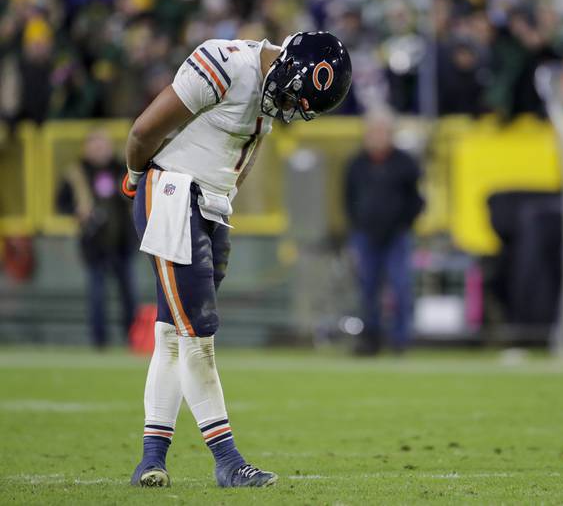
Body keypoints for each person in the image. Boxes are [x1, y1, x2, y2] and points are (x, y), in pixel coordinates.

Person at [121, 32, 351, 488]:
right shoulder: (225, 62)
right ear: (282, 61)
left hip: (210, 206)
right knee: (197, 335)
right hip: (172, 194)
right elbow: (144, 130)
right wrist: (133, 178)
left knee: (172, 335)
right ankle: (227, 460)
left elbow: (242, 155)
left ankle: (151, 459)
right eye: (289, 95)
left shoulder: (271, 89)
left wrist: (223, 204)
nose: (287, 107)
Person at [344, 109, 424, 355]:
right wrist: (357, 225)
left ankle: (400, 340)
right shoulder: (356, 164)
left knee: (400, 287)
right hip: (366, 235)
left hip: (397, 235)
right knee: (367, 289)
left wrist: (404, 223)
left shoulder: (404, 164)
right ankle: (371, 339)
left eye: (382, 131)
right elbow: (348, 199)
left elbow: (417, 199)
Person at [57, 129, 138, 349]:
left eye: (102, 144)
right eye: (94, 145)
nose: (99, 149)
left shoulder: (123, 168)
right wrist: (77, 211)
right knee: (97, 295)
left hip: (123, 243)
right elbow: (60, 203)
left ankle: (133, 338)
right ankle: (99, 341)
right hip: (94, 245)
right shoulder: (77, 172)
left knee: (129, 294)